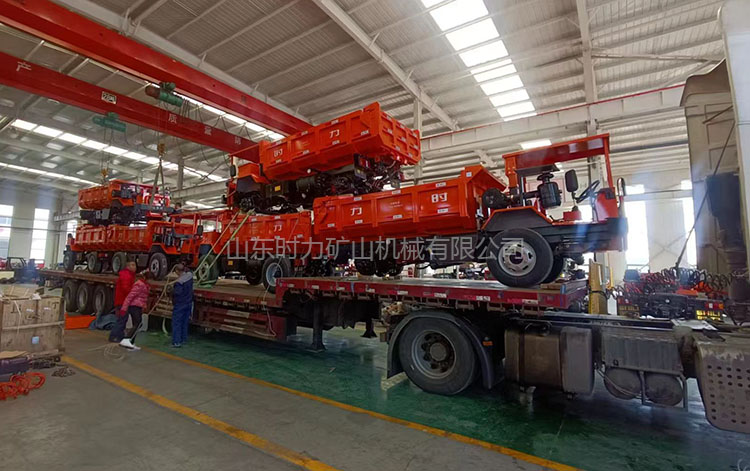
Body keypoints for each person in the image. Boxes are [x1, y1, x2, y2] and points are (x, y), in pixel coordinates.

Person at [117, 271, 152, 350]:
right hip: (134, 306)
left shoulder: (145, 285)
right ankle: (126, 339)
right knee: (138, 323)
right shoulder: (140, 285)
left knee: (137, 324)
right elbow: (130, 296)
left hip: (138, 306)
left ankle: (131, 342)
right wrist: (124, 308)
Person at [108, 260, 136, 342]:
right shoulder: (126, 276)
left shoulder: (129, 275)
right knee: (122, 319)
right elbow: (126, 289)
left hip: (123, 301)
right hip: (122, 301)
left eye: (134, 265)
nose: (134, 267)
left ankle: (119, 336)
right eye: (132, 265)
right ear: (127, 266)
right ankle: (114, 336)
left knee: (123, 319)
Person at [171, 263, 193, 348]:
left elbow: (178, 293)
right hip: (188, 303)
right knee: (184, 322)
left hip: (180, 304)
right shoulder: (190, 276)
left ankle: (176, 342)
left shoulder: (179, 282)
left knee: (177, 323)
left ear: (177, 271)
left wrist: (172, 291)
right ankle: (183, 340)